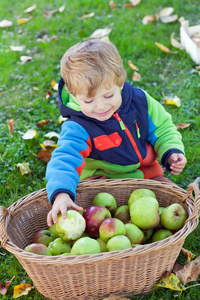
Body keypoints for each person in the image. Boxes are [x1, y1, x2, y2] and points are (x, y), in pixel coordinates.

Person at [46, 39, 187, 227]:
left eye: (108, 96)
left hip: (147, 176)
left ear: (120, 84)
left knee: (177, 203)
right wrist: (61, 193)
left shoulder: (141, 102)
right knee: (99, 223)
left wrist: (171, 151)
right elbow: (65, 158)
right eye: (88, 101)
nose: (101, 106)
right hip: (102, 186)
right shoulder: (78, 126)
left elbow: (163, 128)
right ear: (74, 94)